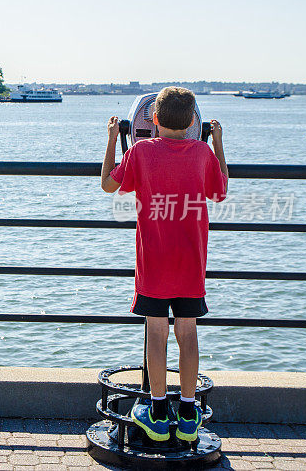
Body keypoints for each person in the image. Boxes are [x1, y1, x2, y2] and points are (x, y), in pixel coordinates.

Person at [100, 87, 228, 442]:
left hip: (153, 264)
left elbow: (109, 185)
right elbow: (219, 192)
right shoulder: (203, 152)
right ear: (192, 122)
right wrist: (217, 142)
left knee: (156, 334)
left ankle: (156, 412)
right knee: (187, 333)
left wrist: (113, 138)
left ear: (153, 120)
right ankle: (188, 414)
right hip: (191, 263)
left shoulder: (140, 150)